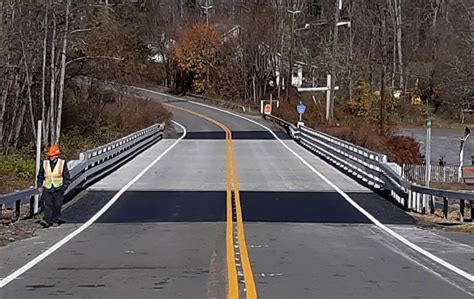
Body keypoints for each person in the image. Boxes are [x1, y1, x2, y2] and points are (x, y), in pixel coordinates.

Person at [37, 145, 70, 228]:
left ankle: (55, 220)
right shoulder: (44, 163)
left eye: (52, 155)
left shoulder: (62, 163)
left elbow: (66, 175)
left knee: (57, 204)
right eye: (50, 156)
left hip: (58, 188)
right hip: (47, 187)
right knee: (48, 204)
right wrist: (39, 185)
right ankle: (46, 220)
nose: (50, 157)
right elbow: (40, 175)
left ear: (56, 155)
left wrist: (65, 186)